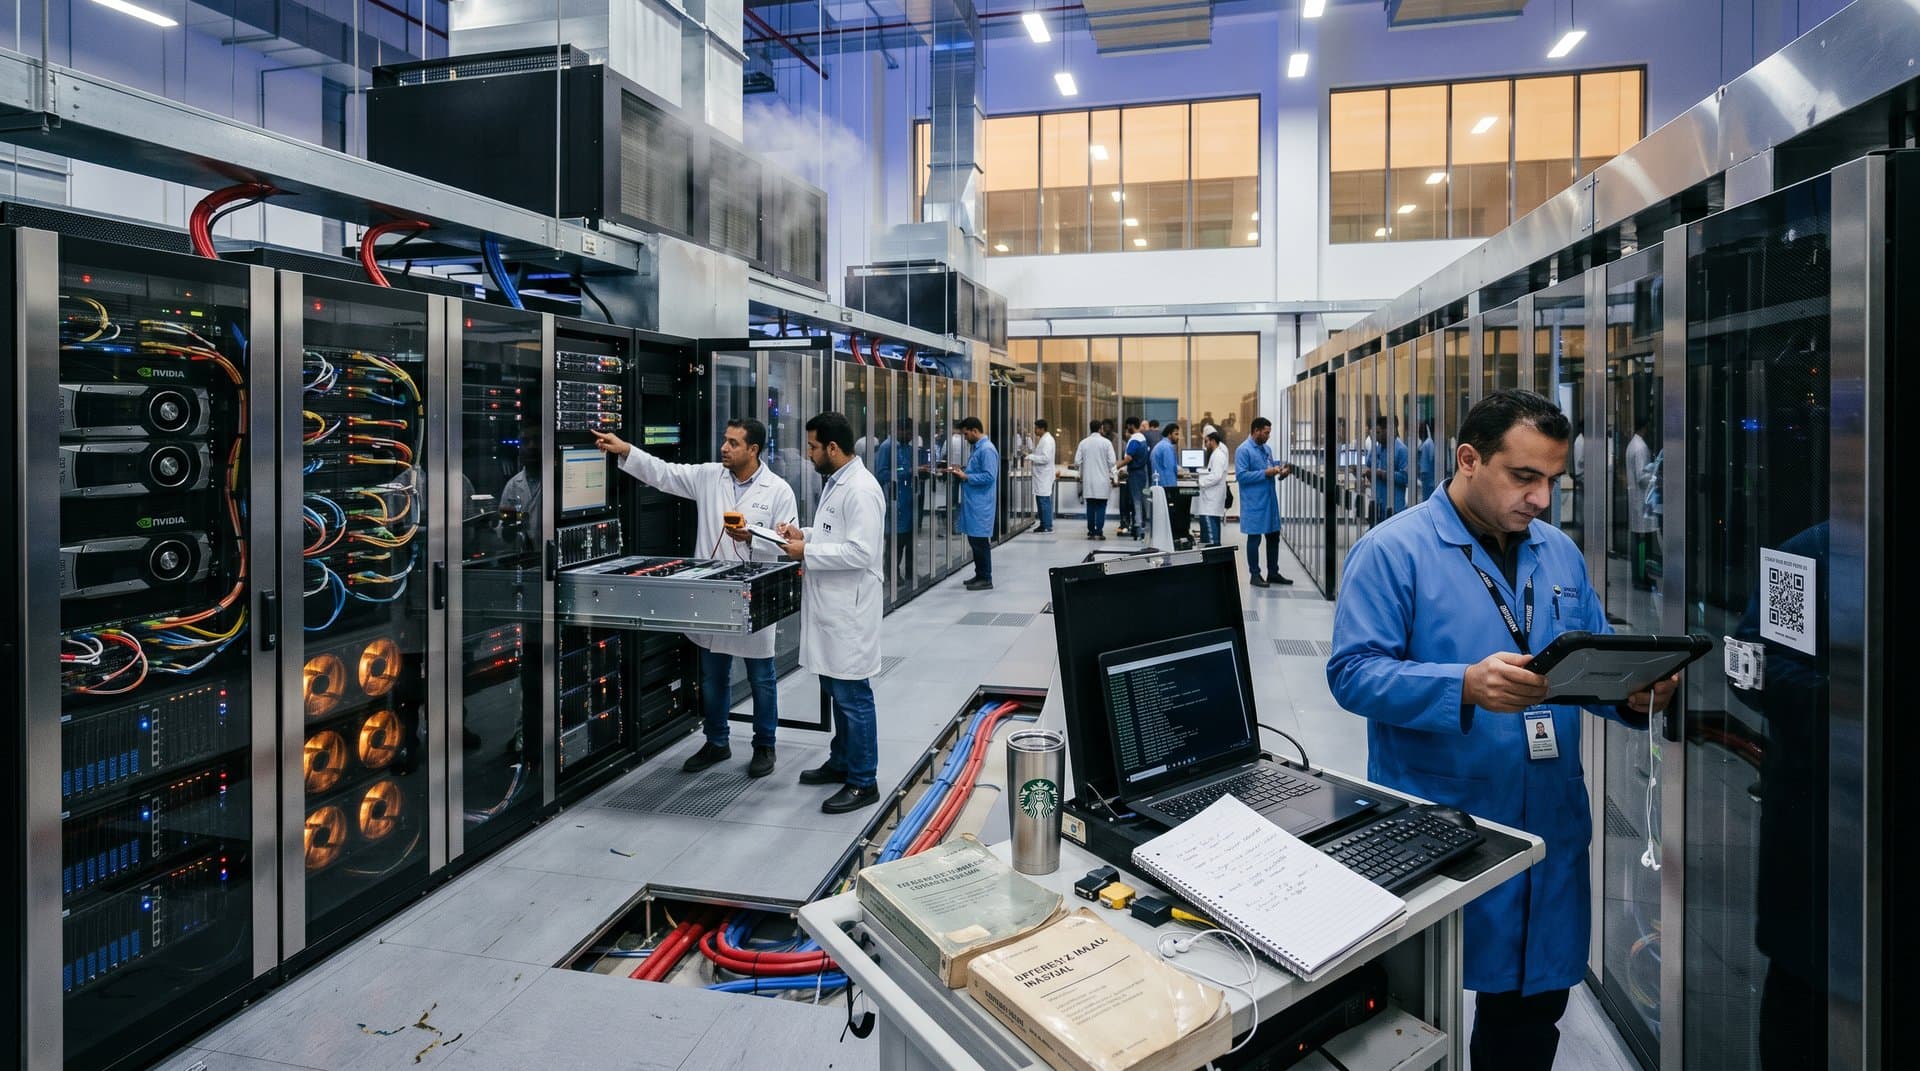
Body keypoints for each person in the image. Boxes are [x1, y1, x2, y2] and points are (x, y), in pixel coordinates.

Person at [1325, 390, 1679, 1071]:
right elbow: (1352, 673)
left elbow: (1589, 660)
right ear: (1468, 459)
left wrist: (1635, 695)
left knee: (1527, 1018)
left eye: (1553, 480)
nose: (1542, 498)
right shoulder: (1394, 551)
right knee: (1418, 1012)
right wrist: (1462, 684)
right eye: (1525, 477)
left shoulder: (1559, 555)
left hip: (1547, 824)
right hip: (1442, 824)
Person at [594, 418, 797, 778]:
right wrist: (626, 450)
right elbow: (665, 474)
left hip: (754, 593)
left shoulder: (778, 490)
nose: (724, 448)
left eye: (733, 443)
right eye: (724, 440)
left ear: (753, 449)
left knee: (761, 678)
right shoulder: (708, 476)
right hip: (714, 593)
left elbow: (786, 544)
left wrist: (750, 537)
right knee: (712, 675)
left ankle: (764, 745)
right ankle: (716, 742)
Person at [775, 412, 886, 814]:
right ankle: (842, 761)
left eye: (812, 446)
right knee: (838, 692)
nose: (808, 454)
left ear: (832, 448)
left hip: (849, 612)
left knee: (853, 695)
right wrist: (803, 535)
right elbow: (834, 536)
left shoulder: (859, 490)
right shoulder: (838, 483)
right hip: (833, 608)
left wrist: (806, 551)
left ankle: (863, 781)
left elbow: (861, 551)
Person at [1235, 417, 1294, 586]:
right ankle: (1255, 575)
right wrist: (1266, 473)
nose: (1268, 436)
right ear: (1256, 431)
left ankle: (1273, 573)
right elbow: (1242, 476)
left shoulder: (1266, 449)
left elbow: (1270, 466)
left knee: (1273, 536)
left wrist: (1281, 471)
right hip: (1254, 503)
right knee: (1254, 539)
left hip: (1269, 501)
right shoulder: (1243, 450)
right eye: (1266, 433)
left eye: (1269, 433)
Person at [947, 416, 999, 590]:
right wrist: (963, 470)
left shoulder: (987, 450)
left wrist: (966, 476)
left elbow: (989, 476)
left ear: (975, 431)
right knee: (974, 540)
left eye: (966, 434)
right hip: (974, 502)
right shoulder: (978, 449)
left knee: (980, 542)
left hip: (981, 504)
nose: (965, 437)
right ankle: (980, 574)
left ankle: (986, 578)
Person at [872, 417, 921, 589]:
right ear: (899, 430)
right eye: (908, 433)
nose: (910, 436)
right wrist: (906, 471)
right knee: (895, 540)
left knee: (908, 538)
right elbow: (883, 473)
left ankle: (908, 571)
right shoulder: (887, 447)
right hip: (894, 499)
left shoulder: (907, 447)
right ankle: (891, 573)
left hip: (908, 499)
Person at [1625, 416, 1658, 590]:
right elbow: (1641, 477)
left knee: (1639, 539)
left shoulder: (1633, 444)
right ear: (1645, 426)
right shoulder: (1640, 448)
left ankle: (1640, 575)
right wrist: (1656, 473)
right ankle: (1640, 577)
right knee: (1641, 541)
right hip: (1641, 500)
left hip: (1638, 501)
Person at [1074, 419, 1116, 540]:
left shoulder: (1083, 443)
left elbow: (1077, 462)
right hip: (1102, 480)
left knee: (1090, 506)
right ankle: (1099, 531)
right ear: (1101, 428)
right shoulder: (1106, 443)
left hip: (1089, 480)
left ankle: (1091, 531)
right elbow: (1112, 461)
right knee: (1101, 506)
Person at [1363, 414, 1408, 522]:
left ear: (1388, 431)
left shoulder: (1401, 450)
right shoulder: (1377, 448)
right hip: (1377, 504)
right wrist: (1366, 472)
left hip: (1393, 506)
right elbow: (1368, 467)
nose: (1376, 436)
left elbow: (1405, 478)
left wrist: (1382, 474)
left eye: (1378, 432)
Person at [1194, 428, 1230, 547]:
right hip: (1211, 499)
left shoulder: (1218, 455)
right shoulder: (1215, 454)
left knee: (1210, 534)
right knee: (1210, 528)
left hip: (1212, 500)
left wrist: (1201, 482)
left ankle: (1212, 552)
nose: (1205, 445)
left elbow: (1216, 476)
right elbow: (1212, 471)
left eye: (1206, 441)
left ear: (1212, 441)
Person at [1150, 422, 1184, 542]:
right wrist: (1174, 491)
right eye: (1175, 434)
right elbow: (1170, 469)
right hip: (1167, 486)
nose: (1177, 437)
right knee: (1171, 516)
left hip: (1158, 486)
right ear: (1169, 434)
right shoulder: (1167, 447)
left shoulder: (1159, 446)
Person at [1122, 417, 1150, 539]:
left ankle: (1138, 526)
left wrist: (1115, 467)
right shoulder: (1142, 438)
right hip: (1142, 473)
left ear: (1131, 425)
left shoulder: (1134, 439)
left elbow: (1128, 458)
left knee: (1136, 501)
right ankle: (1140, 524)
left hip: (1135, 473)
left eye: (1128, 426)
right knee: (1140, 499)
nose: (1127, 429)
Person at [1028, 418, 1056, 533]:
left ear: (1042, 429)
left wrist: (1030, 457)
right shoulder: (1043, 439)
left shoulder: (1047, 440)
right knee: (1040, 500)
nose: (1035, 430)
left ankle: (1047, 525)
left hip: (1044, 476)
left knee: (1044, 500)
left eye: (1036, 428)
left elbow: (1045, 458)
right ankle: (1043, 524)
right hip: (1041, 476)